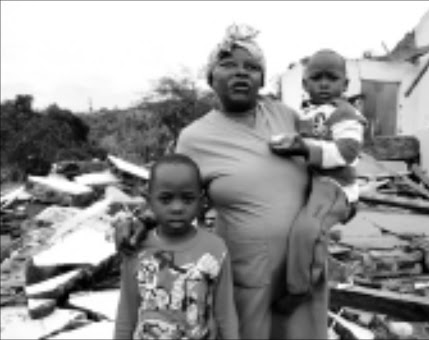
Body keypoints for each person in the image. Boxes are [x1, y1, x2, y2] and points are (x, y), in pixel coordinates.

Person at [115, 24, 351, 339]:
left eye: (252, 67)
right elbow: (177, 194)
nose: (242, 73)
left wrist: (341, 204)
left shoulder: (286, 117)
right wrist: (140, 221)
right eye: (228, 65)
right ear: (211, 77)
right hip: (247, 275)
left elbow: (332, 163)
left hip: (303, 269)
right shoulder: (196, 138)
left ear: (263, 80)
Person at [269, 49, 366, 312]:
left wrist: (304, 149)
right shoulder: (303, 114)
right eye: (316, 77)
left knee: (306, 230)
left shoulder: (345, 114)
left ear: (345, 85)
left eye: (332, 78)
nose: (324, 83)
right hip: (313, 184)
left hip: (334, 186)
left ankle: (300, 288)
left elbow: (348, 152)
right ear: (305, 83)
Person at [113, 154, 239, 340]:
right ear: (149, 199)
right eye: (166, 199)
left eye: (188, 199)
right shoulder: (136, 248)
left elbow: (225, 313)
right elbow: (127, 312)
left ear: (201, 200)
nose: (177, 207)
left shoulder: (215, 249)